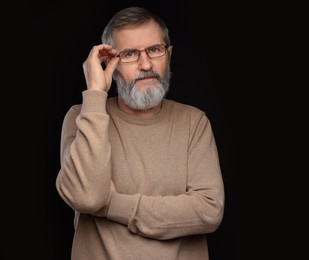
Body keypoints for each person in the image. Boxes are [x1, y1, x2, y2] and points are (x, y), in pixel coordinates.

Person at [55, 6, 225, 260]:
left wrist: (110, 204)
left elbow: (209, 211)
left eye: (154, 50)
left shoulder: (194, 122)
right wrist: (96, 95)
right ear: (109, 62)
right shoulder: (82, 116)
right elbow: (88, 198)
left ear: (168, 54)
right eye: (130, 54)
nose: (145, 64)